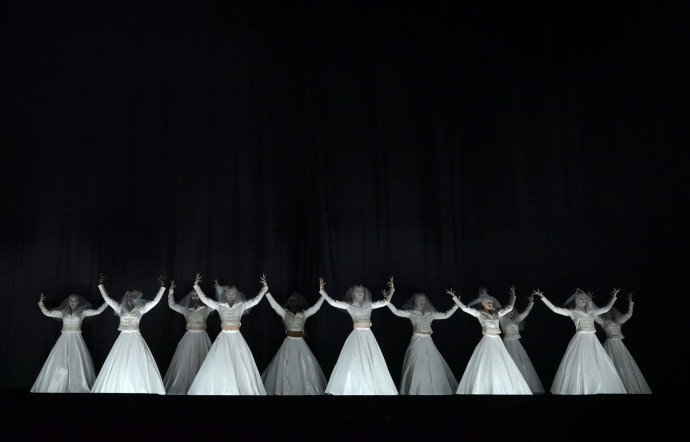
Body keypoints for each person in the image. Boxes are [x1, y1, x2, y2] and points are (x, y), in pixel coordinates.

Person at [186, 273, 268, 395]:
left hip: (236, 337)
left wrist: (265, 288)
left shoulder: (241, 306)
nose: (231, 294)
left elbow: (255, 301)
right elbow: (205, 300)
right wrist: (196, 286)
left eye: (233, 293)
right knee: (220, 362)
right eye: (229, 293)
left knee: (240, 364)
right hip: (223, 336)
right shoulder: (219, 306)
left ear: (236, 295)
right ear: (225, 294)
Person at [533, 288, 626, 394]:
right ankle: (581, 387)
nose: (583, 299)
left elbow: (606, 308)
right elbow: (555, 309)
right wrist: (543, 297)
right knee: (581, 362)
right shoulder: (572, 312)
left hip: (592, 339)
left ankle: (595, 386)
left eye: (584, 298)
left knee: (595, 361)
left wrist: (614, 296)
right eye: (581, 298)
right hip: (580, 339)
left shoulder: (592, 312)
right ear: (575, 300)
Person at [91, 273, 168, 394]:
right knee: (119, 362)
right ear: (126, 297)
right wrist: (100, 285)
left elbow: (155, 302)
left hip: (136, 336)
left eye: (133, 296)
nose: (130, 298)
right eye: (129, 296)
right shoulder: (120, 308)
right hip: (123, 337)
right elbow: (108, 300)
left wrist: (162, 288)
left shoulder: (141, 309)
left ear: (136, 298)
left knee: (137, 363)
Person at [320, 277, 398, 395]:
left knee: (372, 360)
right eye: (357, 291)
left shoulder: (370, 305)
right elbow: (332, 302)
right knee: (355, 360)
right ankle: (354, 388)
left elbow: (385, 302)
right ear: (353, 293)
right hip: (356, 335)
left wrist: (391, 289)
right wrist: (322, 290)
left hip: (368, 335)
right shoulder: (349, 305)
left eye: (361, 291)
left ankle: (371, 388)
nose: (360, 293)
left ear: (365, 292)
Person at [448, 286, 532, 395]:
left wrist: (513, 296)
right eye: (487, 302)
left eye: (491, 302)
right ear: (482, 303)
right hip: (487, 340)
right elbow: (464, 308)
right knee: (486, 363)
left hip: (497, 340)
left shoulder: (498, 313)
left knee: (502, 363)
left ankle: (502, 386)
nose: (490, 303)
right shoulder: (479, 313)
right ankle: (485, 387)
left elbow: (510, 307)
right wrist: (454, 297)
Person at [31, 292, 108, 393]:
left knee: (77, 361)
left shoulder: (82, 312)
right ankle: (60, 384)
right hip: (64, 339)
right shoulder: (63, 312)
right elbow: (47, 313)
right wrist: (41, 303)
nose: (73, 302)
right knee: (61, 361)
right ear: (68, 301)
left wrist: (107, 303)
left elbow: (97, 311)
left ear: (78, 302)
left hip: (77, 339)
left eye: (75, 300)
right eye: (71, 300)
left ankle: (76, 384)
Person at [261, 279, 327, 395]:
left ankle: (302, 389)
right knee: (287, 366)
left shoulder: (304, 314)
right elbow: (274, 306)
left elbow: (316, 308)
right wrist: (267, 292)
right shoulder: (284, 313)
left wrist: (323, 294)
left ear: (298, 303)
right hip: (289, 342)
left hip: (300, 343)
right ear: (288, 303)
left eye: (295, 301)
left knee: (303, 367)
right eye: (291, 301)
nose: (293, 303)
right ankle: (287, 389)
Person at [386, 290, 459, 395]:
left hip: (428, 339)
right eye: (419, 300)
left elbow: (445, 315)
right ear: (415, 301)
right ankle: (416, 389)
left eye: (423, 300)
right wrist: (388, 301)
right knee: (417, 363)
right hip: (417, 339)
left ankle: (433, 389)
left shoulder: (431, 313)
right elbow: (397, 312)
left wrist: (456, 306)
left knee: (432, 363)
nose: (422, 301)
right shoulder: (411, 313)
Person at [594, 292, 652, 394]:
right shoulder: (603, 322)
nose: (609, 313)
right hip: (609, 343)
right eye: (607, 312)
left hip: (618, 343)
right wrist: (589, 302)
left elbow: (629, 314)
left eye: (611, 311)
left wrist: (631, 302)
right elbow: (593, 315)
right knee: (610, 362)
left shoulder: (619, 321)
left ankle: (626, 386)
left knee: (623, 363)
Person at [163, 286, 214, 395]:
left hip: (202, 337)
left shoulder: (207, 309)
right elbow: (172, 305)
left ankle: (201, 386)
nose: (195, 297)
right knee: (186, 362)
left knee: (202, 359)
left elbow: (218, 304)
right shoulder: (186, 310)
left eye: (197, 295)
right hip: (189, 337)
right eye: (193, 296)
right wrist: (170, 291)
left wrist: (219, 289)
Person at [499, 291, 545, 394]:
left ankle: (521, 385)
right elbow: (510, 306)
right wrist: (512, 296)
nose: (511, 313)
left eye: (512, 311)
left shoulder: (516, 319)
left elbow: (526, 312)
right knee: (508, 362)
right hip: (507, 342)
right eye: (509, 311)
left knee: (520, 362)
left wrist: (531, 302)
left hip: (516, 342)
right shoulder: (501, 319)